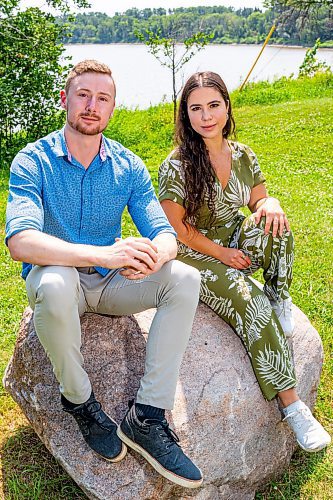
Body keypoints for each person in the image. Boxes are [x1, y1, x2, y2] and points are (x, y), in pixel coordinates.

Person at [5, 60, 203, 489]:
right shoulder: (32, 161)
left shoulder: (127, 165)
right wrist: (104, 253)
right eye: (83, 95)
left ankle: (147, 417)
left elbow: (164, 232)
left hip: (112, 285)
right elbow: (20, 241)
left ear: (112, 109)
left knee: (184, 278)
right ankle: (79, 402)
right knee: (56, 283)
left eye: (103, 99)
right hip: (61, 283)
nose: (92, 106)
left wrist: (156, 254)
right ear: (65, 99)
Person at [158, 71, 331, 453]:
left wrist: (270, 203)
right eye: (196, 108)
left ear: (227, 106)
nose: (206, 116)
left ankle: (279, 296)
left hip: (233, 236)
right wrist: (222, 255)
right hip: (195, 256)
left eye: (214, 105)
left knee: (276, 226)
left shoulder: (243, 154)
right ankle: (293, 407)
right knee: (248, 303)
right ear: (185, 115)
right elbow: (179, 230)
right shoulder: (176, 165)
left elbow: (257, 202)